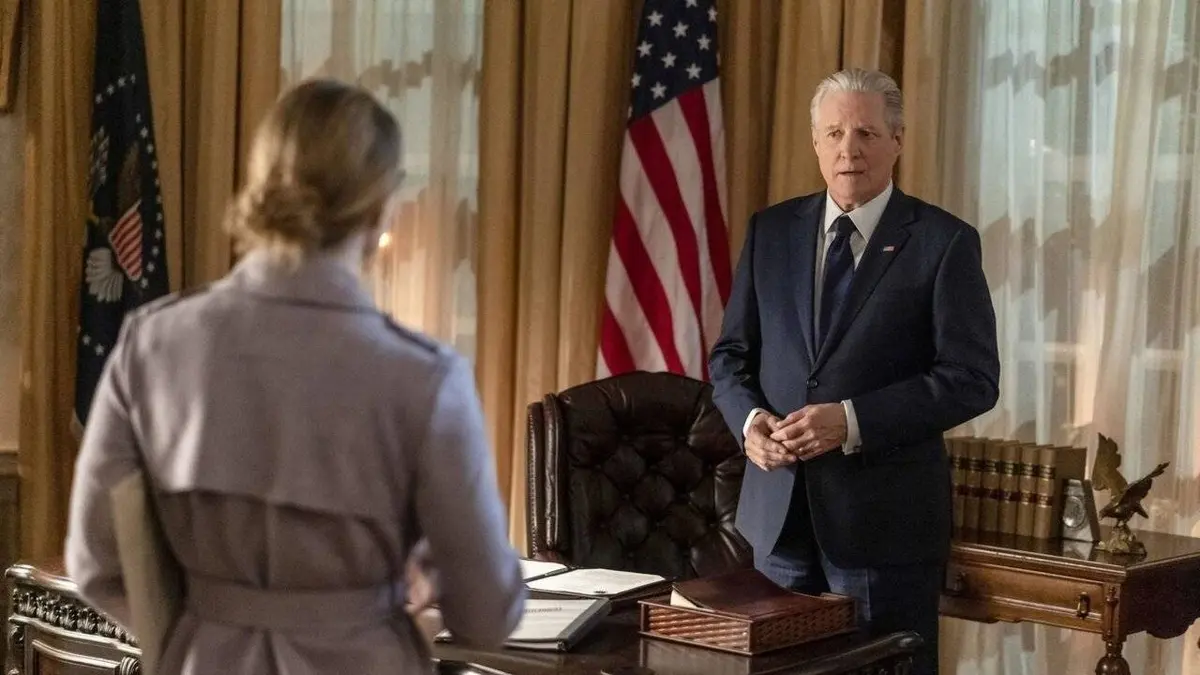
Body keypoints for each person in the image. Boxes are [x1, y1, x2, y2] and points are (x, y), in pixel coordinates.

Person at [65, 78, 526, 674]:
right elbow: (487, 615)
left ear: (262, 187)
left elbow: (96, 564)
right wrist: (429, 569)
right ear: (379, 209)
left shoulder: (150, 344)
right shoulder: (427, 378)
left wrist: (197, 635)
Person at [708, 68, 999, 675]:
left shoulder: (943, 242)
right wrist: (751, 422)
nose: (850, 149)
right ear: (815, 142)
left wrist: (852, 421)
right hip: (777, 521)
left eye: (866, 132)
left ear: (897, 141)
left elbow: (971, 378)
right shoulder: (771, 232)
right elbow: (730, 357)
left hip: (884, 531)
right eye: (835, 133)